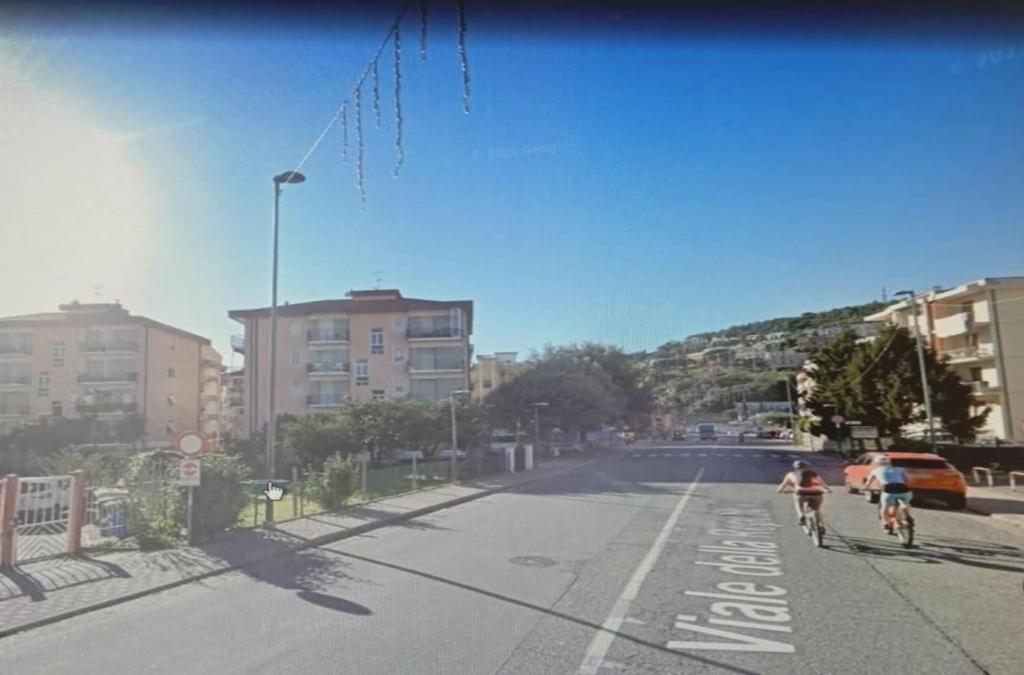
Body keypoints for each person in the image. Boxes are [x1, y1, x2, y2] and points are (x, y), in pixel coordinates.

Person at [861, 455, 913, 533]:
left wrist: (864, 488)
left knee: (884, 507)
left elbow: (868, 483)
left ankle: (886, 524)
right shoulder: (899, 469)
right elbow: (906, 479)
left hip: (889, 490)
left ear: (877, 463)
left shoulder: (875, 470)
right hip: (904, 489)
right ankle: (906, 515)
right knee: (906, 503)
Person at [777, 460, 832, 525]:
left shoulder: (791, 474)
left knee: (798, 503)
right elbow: (822, 483)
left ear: (795, 467)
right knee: (816, 509)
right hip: (817, 493)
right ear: (807, 466)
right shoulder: (813, 473)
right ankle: (820, 524)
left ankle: (801, 515)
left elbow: (783, 484)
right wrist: (828, 490)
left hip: (801, 493)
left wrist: (780, 490)